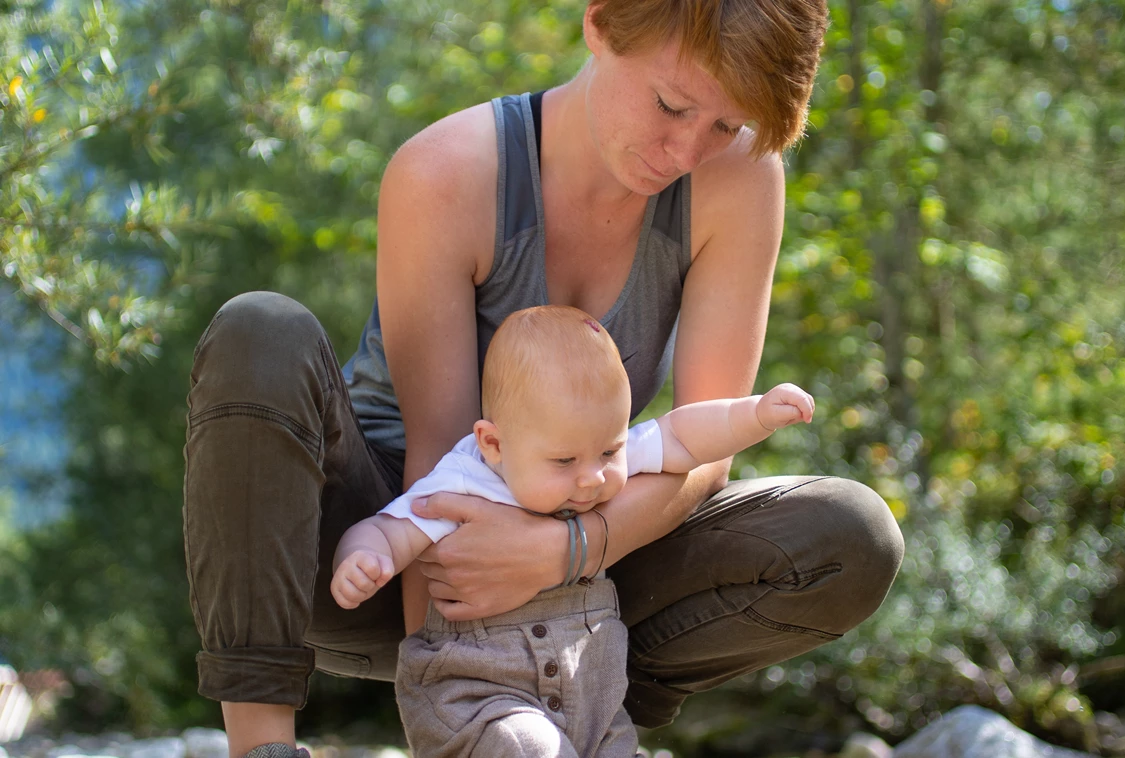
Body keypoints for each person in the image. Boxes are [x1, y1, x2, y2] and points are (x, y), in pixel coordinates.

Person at [182, 1, 906, 757]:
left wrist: (569, 552)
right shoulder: (446, 171)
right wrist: (448, 699)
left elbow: (704, 448)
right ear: (598, 24)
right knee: (259, 329)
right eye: (672, 104)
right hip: (384, 553)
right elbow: (438, 454)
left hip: (586, 586)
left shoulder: (740, 176)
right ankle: (260, 747)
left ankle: (586, 718)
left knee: (848, 532)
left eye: (724, 126)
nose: (686, 150)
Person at [329, 305, 815, 756]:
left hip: (594, 705)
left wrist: (752, 415)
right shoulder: (464, 481)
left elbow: (680, 435)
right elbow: (389, 529)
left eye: (610, 452)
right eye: (564, 461)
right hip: (477, 699)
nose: (593, 477)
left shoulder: (594, 449)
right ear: (494, 443)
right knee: (533, 747)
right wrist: (364, 558)